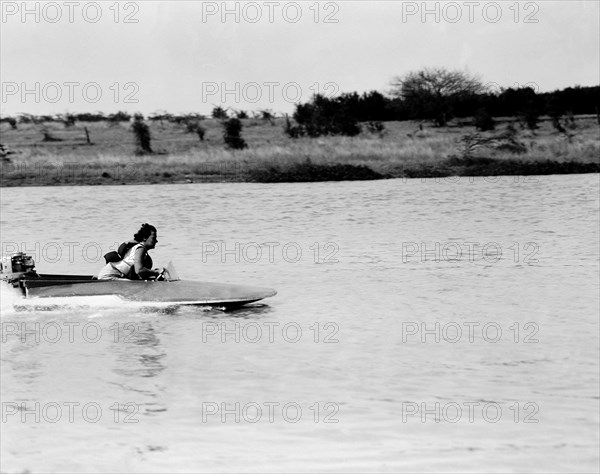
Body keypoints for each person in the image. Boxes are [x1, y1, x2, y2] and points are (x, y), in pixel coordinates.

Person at [97, 224, 165, 281]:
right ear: (144, 238)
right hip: (108, 276)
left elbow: (138, 272)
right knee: (132, 284)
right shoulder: (141, 248)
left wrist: (152, 272)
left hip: (110, 274)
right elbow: (139, 270)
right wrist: (156, 272)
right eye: (154, 238)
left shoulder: (139, 248)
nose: (156, 241)